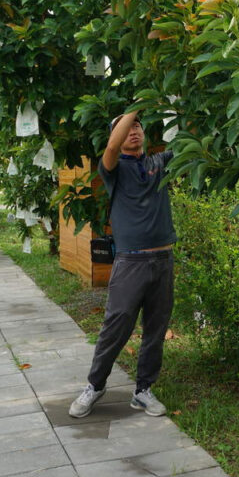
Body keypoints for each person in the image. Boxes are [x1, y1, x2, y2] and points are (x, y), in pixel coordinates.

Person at [69, 110, 176, 418]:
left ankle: (143, 391)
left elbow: (188, 143)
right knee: (116, 327)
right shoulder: (112, 168)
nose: (134, 131)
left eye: (138, 126)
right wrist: (137, 107)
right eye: (127, 127)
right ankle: (95, 385)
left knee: (156, 328)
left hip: (163, 259)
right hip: (131, 261)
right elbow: (112, 148)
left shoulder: (158, 163)